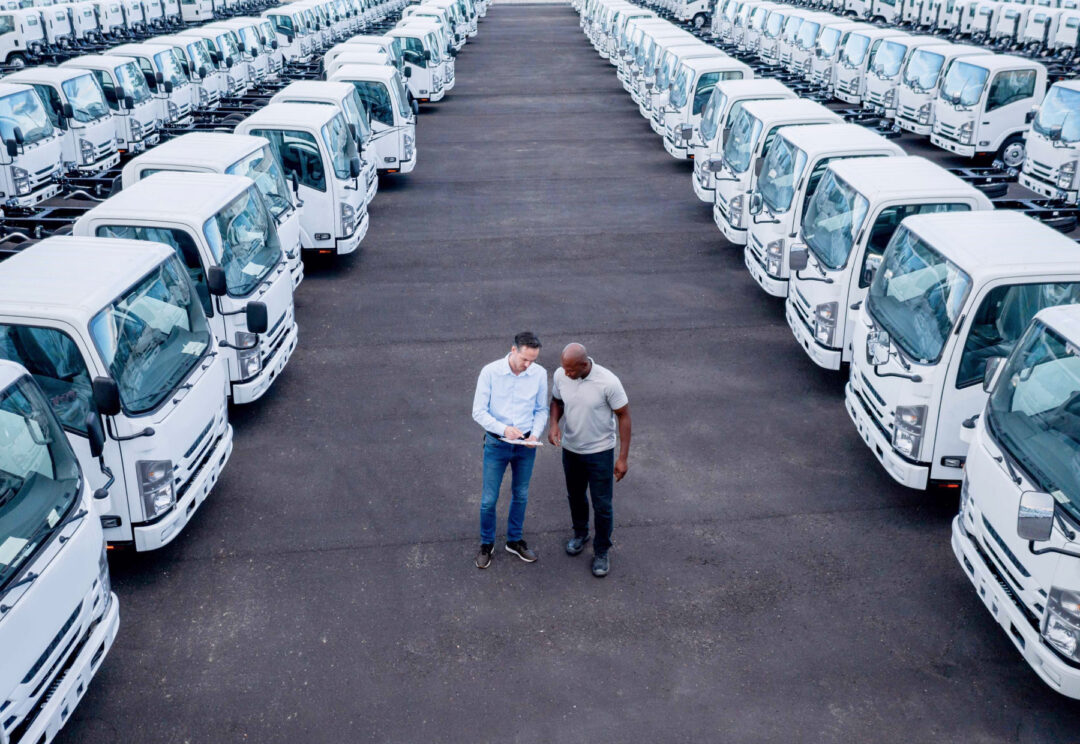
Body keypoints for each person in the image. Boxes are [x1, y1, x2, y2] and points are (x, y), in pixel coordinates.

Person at [548, 343, 631, 578]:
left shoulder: (608, 382)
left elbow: (624, 416)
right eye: (564, 368)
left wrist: (622, 458)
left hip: (600, 452)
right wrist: (554, 423)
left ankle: (602, 550)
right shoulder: (561, 374)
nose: (566, 374)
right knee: (575, 496)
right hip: (571, 449)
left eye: (571, 370)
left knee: (602, 504)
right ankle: (580, 533)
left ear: (585, 364)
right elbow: (557, 401)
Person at [471, 332, 548, 570]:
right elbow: (479, 412)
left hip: (526, 445)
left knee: (521, 494)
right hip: (497, 444)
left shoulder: (539, 374)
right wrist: (504, 429)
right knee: (488, 500)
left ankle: (514, 540)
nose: (529, 365)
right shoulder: (490, 372)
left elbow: (541, 409)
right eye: (525, 359)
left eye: (533, 360)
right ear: (513, 350)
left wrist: (534, 434)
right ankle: (487, 544)